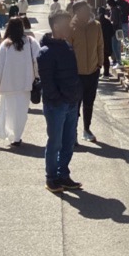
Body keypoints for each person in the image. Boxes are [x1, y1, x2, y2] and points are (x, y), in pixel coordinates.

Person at [38, 12, 83, 193]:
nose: (70, 28)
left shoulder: (67, 46)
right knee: (55, 142)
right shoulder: (45, 52)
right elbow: (47, 82)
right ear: (56, 26)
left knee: (68, 141)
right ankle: (51, 178)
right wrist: (58, 98)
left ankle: (63, 174)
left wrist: (75, 95)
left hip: (71, 101)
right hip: (56, 104)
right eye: (67, 24)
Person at [0, 18, 40, 146]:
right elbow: (39, 60)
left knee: (9, 111)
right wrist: (38, 76)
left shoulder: (5, 45)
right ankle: (17, 135)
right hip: (26, 84)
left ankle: (13, 136)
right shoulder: (30, 42)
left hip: (8, 85)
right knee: (21, 112)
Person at [70, 1, 104, 142]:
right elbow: (68, 50)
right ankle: (73, 134)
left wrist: (100, 64)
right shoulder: (71, 27)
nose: (85, 12)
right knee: (75, 104)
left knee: (89, 102)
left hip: (92, 71)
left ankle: (87, 129)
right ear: (76, 12)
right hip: (76, 73)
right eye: (82, 10)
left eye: (86, 9)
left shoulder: (96, 25)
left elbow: (100, 45)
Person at [97, 6, 115, 78]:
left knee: (97, 58)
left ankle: (97, 73)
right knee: (105, 58)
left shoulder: (96, 22)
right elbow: (112, 32)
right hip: (106, 43)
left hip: (97, 43)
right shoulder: (107, 22)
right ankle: (106, 73)